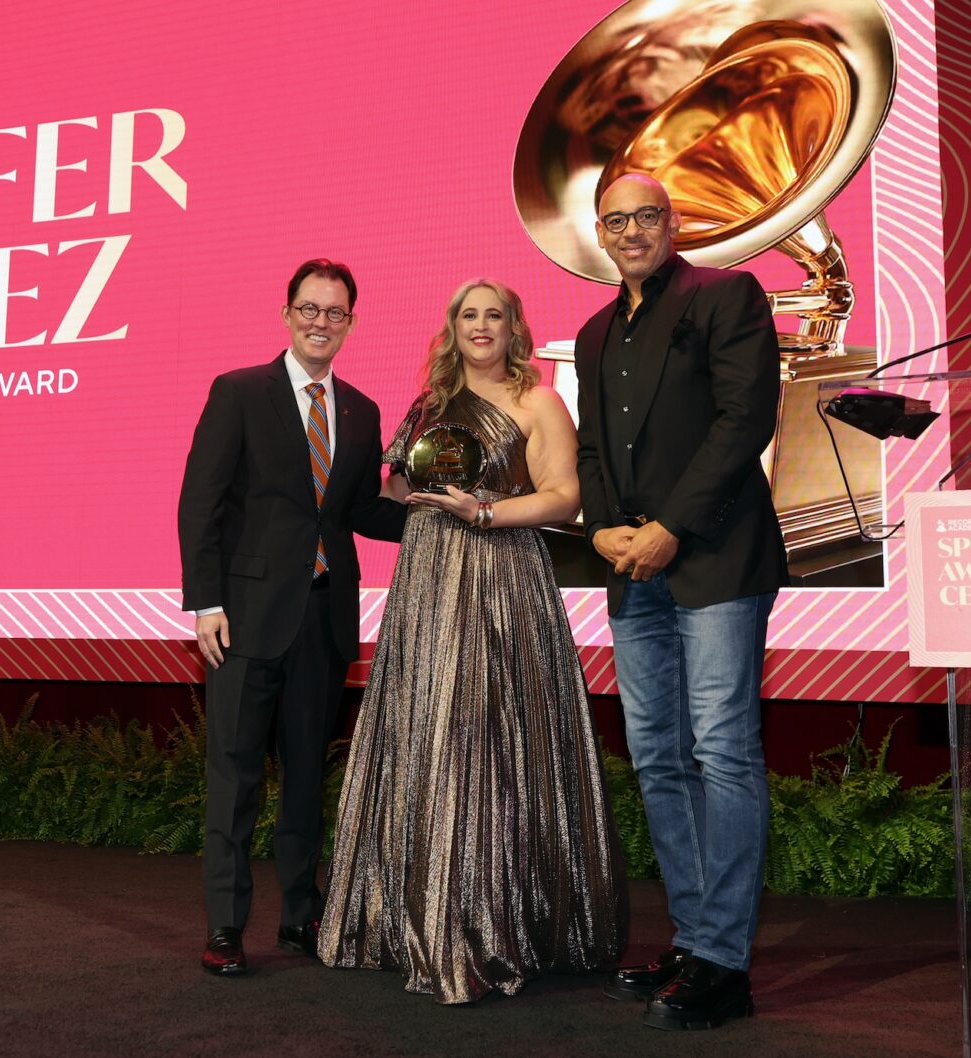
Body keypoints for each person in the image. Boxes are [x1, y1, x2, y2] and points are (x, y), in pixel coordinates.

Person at [318, 278, 627, 1004]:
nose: (481, 326)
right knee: (426, 731)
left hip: (500, 576)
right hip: (427, 578)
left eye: (494, 315)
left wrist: (485, 512)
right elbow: (397, 491)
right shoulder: (428, 405)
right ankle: (409, 920)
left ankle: (492, 924)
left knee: (487, 735)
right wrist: (393, 486)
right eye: (468, 315)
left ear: (515, 327)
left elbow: (564, 495)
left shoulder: (540, 400)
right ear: (451, 327)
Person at [573, 172, 788, 1030]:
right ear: (602, 232)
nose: (631, 232)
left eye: (646, 217)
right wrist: (602, 532)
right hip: (633, 567)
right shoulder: (593, 331)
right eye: (616, 221)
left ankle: (726, 963)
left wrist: (669, 526)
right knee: (658, 755)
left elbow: (747, 419)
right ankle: (697, 937)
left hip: (715, 559)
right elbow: (591, 448)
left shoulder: (725, 293)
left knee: (723, 750)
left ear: (673, 222)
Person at [177, 258, 406, 977]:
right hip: (242, 620)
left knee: (306, 777)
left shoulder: (363, 411)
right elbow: (200, 504)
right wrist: (205, 602)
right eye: (309, 309)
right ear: (287, 314)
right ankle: (224, 927)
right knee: (235, 776)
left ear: (351, 324)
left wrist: (431, 508)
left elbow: (358, 512)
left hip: (323, 618)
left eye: (334, 313)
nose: (320, 322)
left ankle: (301, 918)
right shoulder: (239, 392)